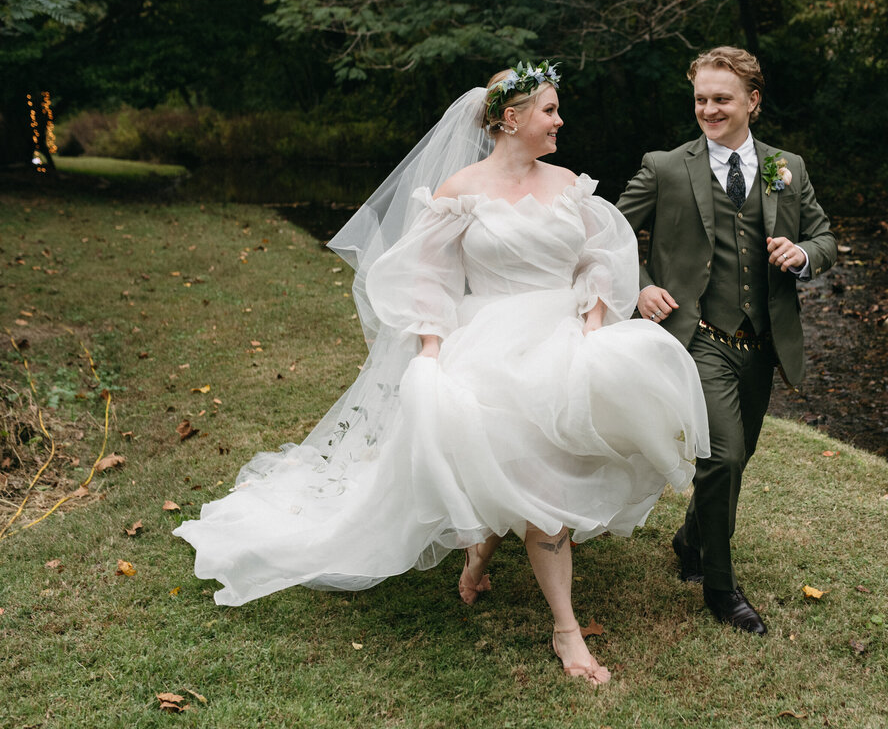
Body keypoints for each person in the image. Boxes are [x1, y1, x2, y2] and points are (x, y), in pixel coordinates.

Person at [173, 61, 709, 686]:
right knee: (536, 485)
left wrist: (592, 331)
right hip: (488, 341)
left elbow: (598, 261)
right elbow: (425, 278)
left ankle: (483, 547)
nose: (560, 121)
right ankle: (566, 630)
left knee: (558, 464)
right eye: (550, 111)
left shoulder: (568, 184)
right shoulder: (459, 192)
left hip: (563, 336)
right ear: (512, 118)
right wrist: (430, 349)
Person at [616, 46, 836, 635]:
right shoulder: (665, 167)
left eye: (721, 99)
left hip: (762, 342)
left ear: (752, 103)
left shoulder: (786, 168)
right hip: (698, 336)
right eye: (701, 100)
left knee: (739, 459)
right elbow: (607, 234)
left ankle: (690, 539)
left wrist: (803, 254)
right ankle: (719, 586)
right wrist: (640, 287)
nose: (709, 109)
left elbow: (824, 238)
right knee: (724, 455)